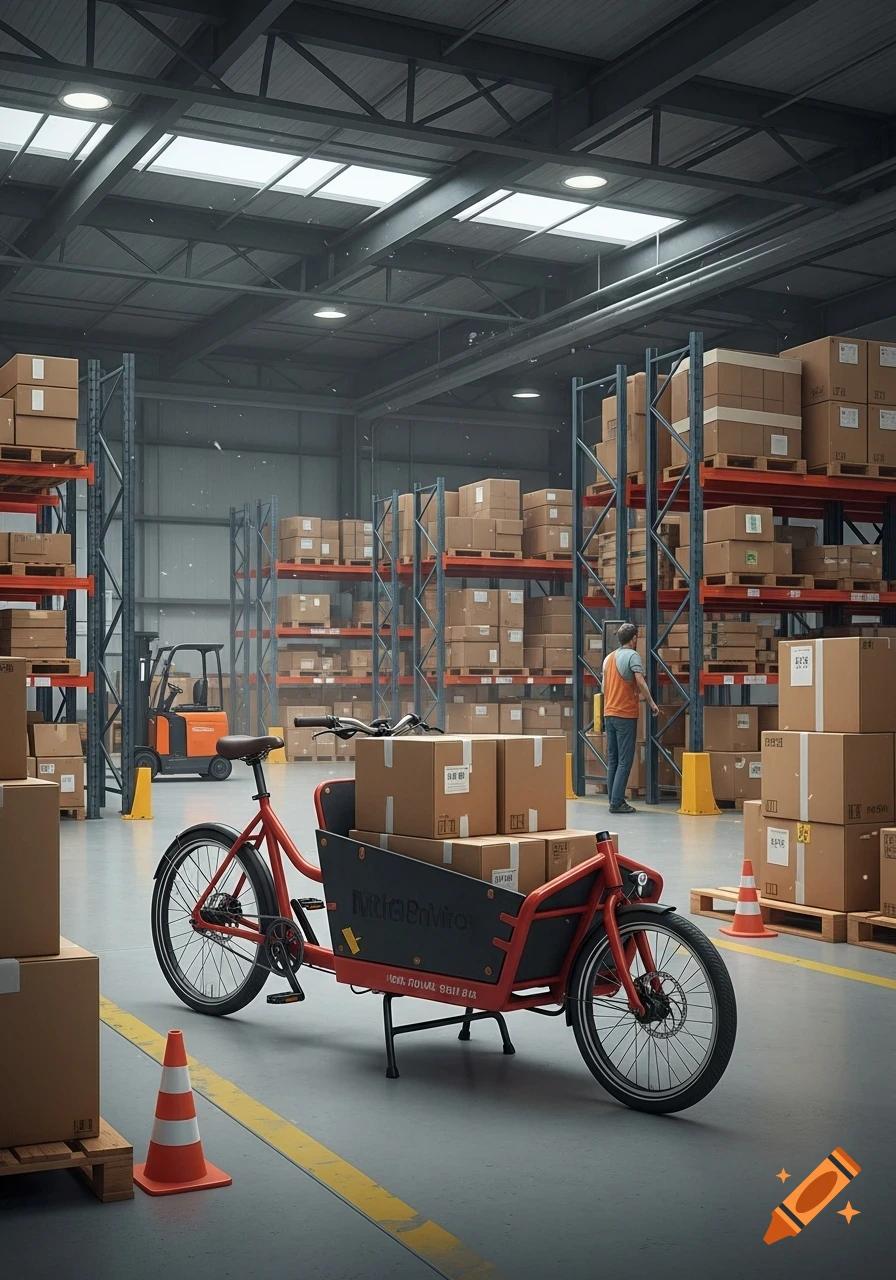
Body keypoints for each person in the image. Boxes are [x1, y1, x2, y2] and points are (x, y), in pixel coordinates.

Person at [601, 622, 658, 814]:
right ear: (634, 639)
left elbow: (603, 688)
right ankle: (617, 803)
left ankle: (613, 797)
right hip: (625, 714)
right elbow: (640, 681)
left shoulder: (608, 658)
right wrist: (651, 703)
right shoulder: (633, 656)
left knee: (613, 759)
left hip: (609, 714)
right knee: (625, 761)